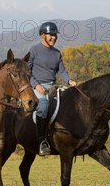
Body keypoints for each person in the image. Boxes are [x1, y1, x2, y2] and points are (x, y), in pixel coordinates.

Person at [28, 21, 77, 155]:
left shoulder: (57, 53)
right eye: (51, 35)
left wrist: (69, 80)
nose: (54, 37)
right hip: (36, 87)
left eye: (55, 35)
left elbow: (61, 71)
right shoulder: (34, 50)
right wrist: (36, 85)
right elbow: (27, 71)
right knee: (43, 106)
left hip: (53, 87)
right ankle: (41, 141)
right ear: (42, 35)